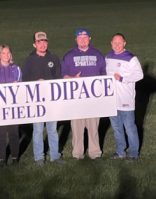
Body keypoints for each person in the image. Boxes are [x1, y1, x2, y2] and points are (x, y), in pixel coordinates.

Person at [61, 28, 106, 160]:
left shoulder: (97, 54)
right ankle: (77, 153)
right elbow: (63, 75)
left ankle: (95, 152)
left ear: (89, 39)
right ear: (76, 40)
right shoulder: (69, 56)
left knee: (93, 127)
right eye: (80, 38)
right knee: (77, 128)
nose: (82, 40)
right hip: (76, 100)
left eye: (85, 37)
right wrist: (71, 78)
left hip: (93, 99)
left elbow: (104, 74)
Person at [22, 31, 64, 166]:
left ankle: (55, 155)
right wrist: (36, 82)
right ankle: (39, 157)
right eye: (39, 42)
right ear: (34, 44)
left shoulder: (54, 58)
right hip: (37, 101)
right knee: (38, 129)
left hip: (51, 100)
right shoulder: (29, 60)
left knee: (52, 129)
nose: (42, 44)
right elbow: (25, 80)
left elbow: (59, 78)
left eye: (44, 41)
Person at [105, 33, 143, 160]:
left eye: (119, 42)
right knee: (117, 128)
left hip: (126, 99)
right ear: (111, 43)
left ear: (124, 43)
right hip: (112, 101)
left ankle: (133, 153)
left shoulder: (131, 58)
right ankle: (120, 151)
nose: (117, 45)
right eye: (114, 43)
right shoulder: (108, 57)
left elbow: (139, 75)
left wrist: (123, 78)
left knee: (130, 128)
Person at [0, 44, 22, 167]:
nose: (6, 55)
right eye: (3, 53)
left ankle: (15, 157)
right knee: (1, 133)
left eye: (8, 53)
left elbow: (19, 87)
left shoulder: (16, 68)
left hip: (13, 106)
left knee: (13, 132)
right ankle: (2, 158)